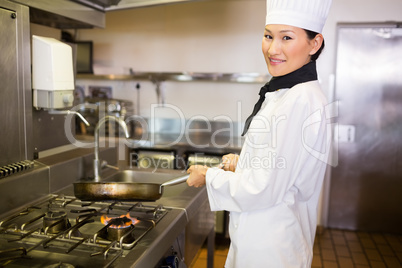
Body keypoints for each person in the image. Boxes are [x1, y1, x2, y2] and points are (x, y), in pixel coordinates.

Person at [186, 0, 333, 267]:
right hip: (262, 239)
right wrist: (243, 164)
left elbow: (262, 188)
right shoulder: (287, 93)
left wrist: (208, 176)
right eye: (268, 36)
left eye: (286, 37)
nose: (272, 48)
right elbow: (285, 170)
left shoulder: (300, 100)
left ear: (315, 43)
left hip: (272, 247)